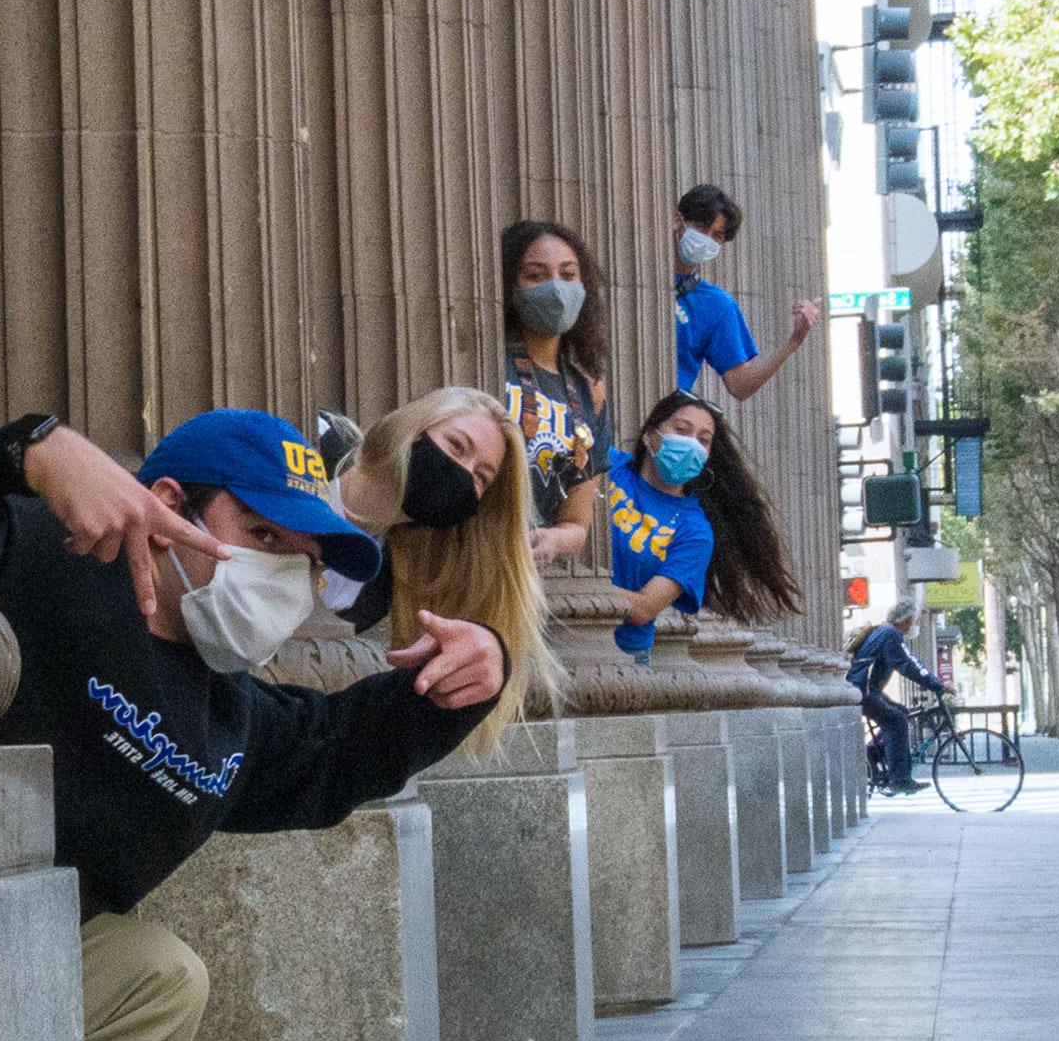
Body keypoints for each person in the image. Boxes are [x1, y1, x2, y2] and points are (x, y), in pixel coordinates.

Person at [0, 404, 509, 1041]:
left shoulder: (227, 714)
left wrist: (465, 680)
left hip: (27, 974)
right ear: (173, 506)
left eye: (307, 559)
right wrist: (30, 451)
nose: (287, 576)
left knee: (163, 977)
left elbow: (331, 751)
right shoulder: (38, 550)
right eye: (264, 537)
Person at [328, 386, 559, 719]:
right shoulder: (307, 465)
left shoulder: (386, 589)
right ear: (413, 429)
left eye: (481, 477)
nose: (462, 472)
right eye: (456, 446)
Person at [602, 392, 800, 661]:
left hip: (622, 653)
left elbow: (645, 608)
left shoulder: (695, 532)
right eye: (682, 430)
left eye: (703, 440)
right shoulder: (611, 466)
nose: (691, 444)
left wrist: (587, 591)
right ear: (650, 436)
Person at [501, 221, 610, 564]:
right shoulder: (488, 364)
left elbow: (577, 522)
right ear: (510, 286)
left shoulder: (589, 390)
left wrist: (554, 539)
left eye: (568, 274)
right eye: (536, 275)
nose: (556, 289)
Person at [669, 184, 820, 404]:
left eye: (717, 235)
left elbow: (741, 385)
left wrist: (794, 341)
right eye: (702, 228)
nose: (707, 239)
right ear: (678, 220)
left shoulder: (717, 306)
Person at [851, 600, 944, 793]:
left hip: (866, 688)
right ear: (904, 620)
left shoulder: (885, 631)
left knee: (900, 712)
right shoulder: (891, 635)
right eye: (913, 620)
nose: (914, 625)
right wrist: (937, 685)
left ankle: (873, 753)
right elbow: (909, 665)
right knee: (896, 721)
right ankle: (900, 780)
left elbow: (909, 663)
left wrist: (933, 683)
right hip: (863, 689)